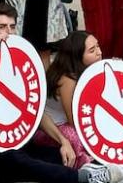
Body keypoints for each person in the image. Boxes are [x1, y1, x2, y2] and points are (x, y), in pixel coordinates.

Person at [0, 3, 121, 183]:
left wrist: (63, 141)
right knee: (19, 160)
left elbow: (35, 111)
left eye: (12, 27)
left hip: (11, 139)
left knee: (59, 155)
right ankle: (84, 177)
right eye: (1, 27)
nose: (8, 33)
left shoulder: (22, 65)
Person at [35, 31, 107, 169]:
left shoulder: (90, 70)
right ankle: (86, 164)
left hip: (72, 124)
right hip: (52, 129)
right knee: (77, 137)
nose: (99, 52)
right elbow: (73, 120)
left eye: (98, 46)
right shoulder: (68, 78)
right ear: (78, 56)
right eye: (92, 50)